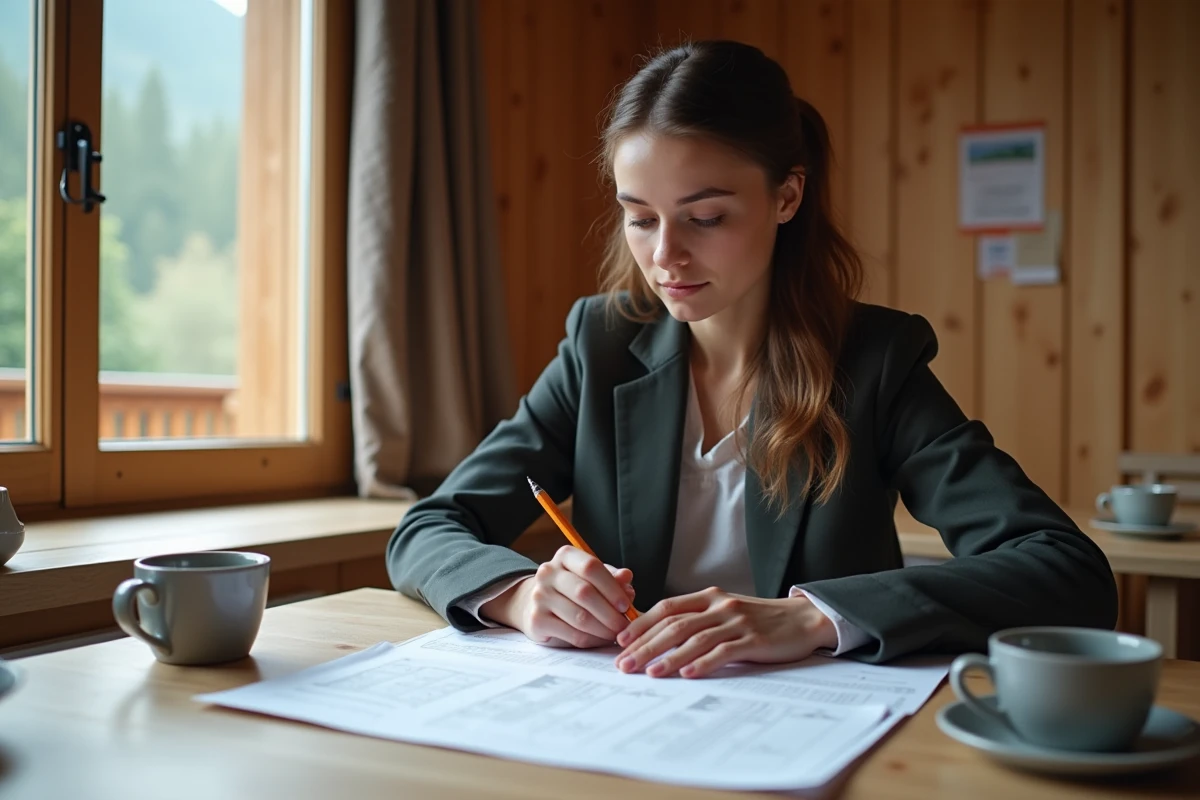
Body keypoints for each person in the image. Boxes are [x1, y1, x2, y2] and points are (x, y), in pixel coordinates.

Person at [387, 40, 1116, 678]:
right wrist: (521, 596)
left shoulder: (874, 363)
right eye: (640, 218)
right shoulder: (599, 346)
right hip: (623, 716)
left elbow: (1066, 570)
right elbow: (427, 529)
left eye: (706, 218)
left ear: (787, 196)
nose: (664, 255)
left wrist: (811, 618)